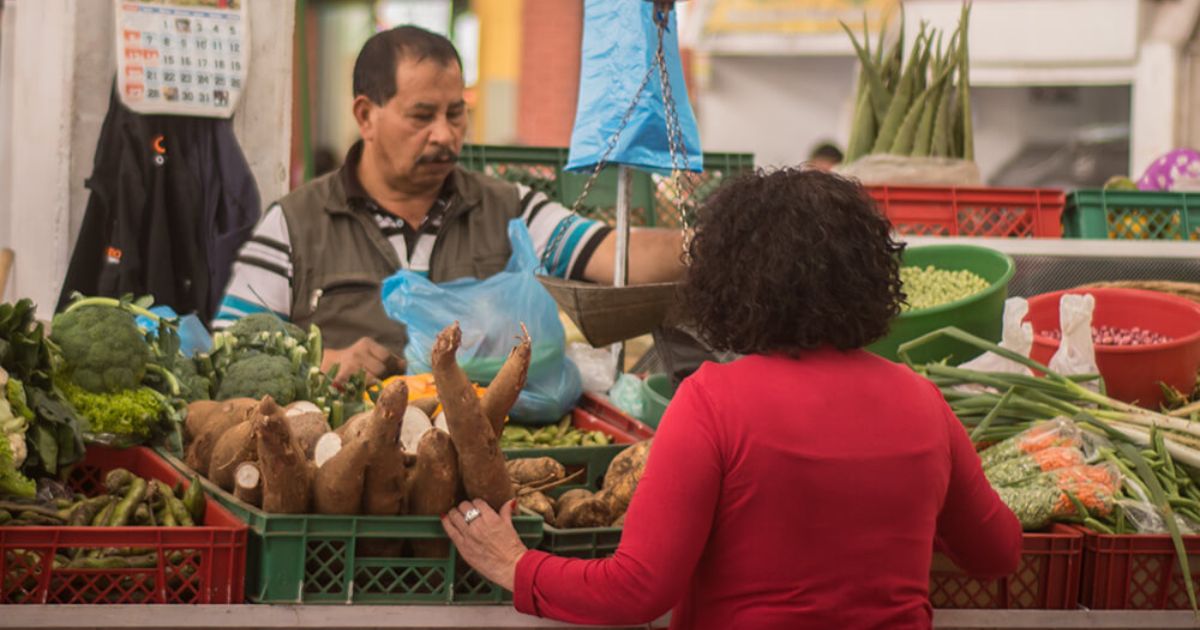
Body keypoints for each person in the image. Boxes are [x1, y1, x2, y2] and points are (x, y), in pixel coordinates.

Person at [442, 168, 1022, 629]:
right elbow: (998, 553)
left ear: (728, 282)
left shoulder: (713, 403)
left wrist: (517, 566)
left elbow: (638, 590)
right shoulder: (923, 403)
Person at [214, 26, 685, 381]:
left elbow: (614, 253)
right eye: (422, 116)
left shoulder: (509, 210)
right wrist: (321, 359)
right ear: (366, 116)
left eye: (455, 114)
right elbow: (225, 351)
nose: (444, 134)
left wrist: (721, 245)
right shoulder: (296, 225)